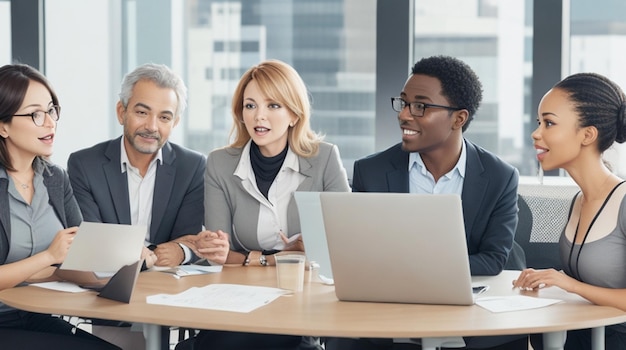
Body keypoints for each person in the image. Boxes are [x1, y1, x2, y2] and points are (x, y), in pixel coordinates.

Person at [325, 55, 527, 350]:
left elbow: (494, 258)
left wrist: (416, 270)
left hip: (471, 314)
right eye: (403, 103)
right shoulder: (372, 171)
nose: (404, 115)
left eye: (420, 106)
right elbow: (363, 256)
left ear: (459, 118)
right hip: (391, 313)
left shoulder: (500, 176)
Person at [175, 59, 350, 350]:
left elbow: (345, 244)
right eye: (250, 105)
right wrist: (277, 258)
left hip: (303, 301)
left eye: (273, 106)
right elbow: (220, 254)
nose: (259, 116)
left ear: (294, 114)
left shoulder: (325, 159)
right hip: (240, 300)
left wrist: (250, 257)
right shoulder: (220, 163)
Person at [67, 63, 211, 349]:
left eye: (164, 117)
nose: (152, 127)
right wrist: (151, 253)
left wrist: (179, 249)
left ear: (175, 122)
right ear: (122, 111)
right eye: (142, 112)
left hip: (168, 295)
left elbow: (188, 238)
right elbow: (93, 243)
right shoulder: (85, 164)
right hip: (107, 299)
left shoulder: (192, 166)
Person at [0, 63, 120, 349]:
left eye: (51, 110)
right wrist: (48, 257)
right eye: (35, 115)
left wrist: (114, 267)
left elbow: (76, 252)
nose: (50, 123)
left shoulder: (54, 179)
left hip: (33, 313)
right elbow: (53, 257)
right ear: (3, 126)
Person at [513, 72, 626, 349]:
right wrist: (549, 279)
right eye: (539, 122)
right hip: (583, 336)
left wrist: (567, 283)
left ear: (587, 135)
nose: (536, 133)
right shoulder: (578, 200)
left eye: (549, 123)